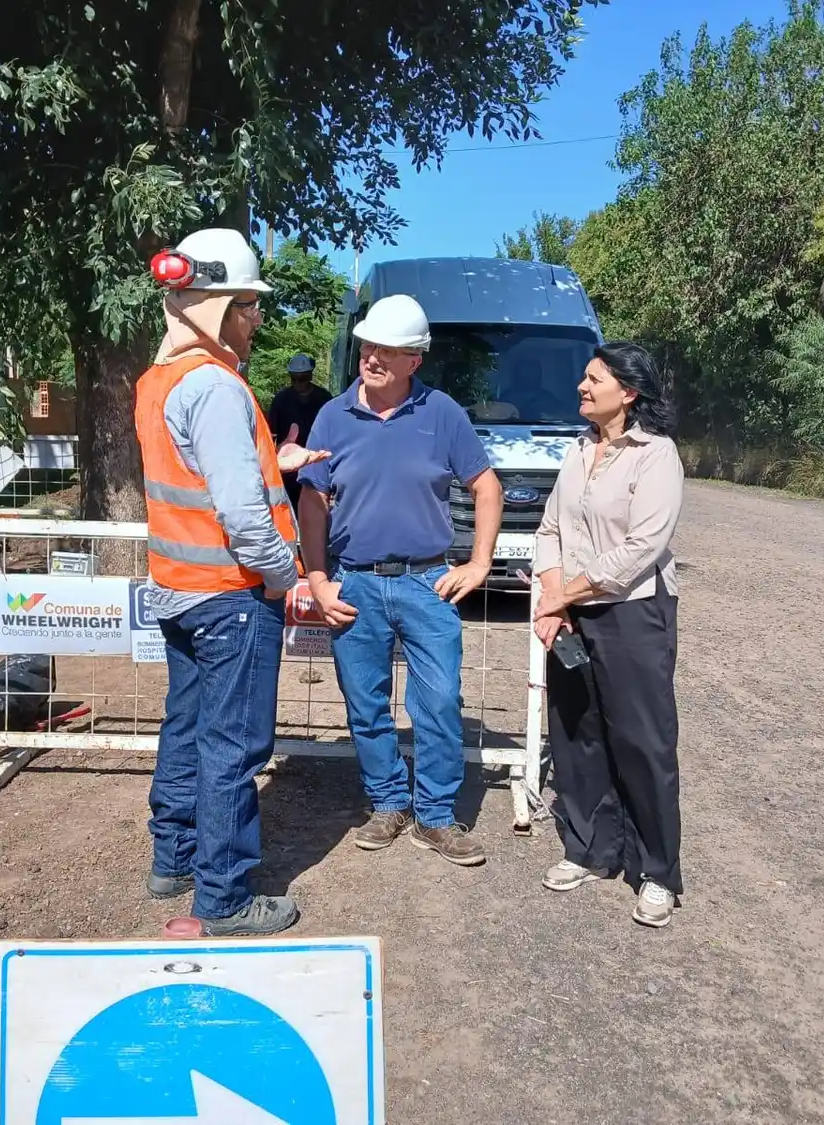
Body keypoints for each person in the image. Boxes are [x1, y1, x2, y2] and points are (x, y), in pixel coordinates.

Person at [134, 227, 328, 937]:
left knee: (185, 730)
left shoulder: (161, 382)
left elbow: (202, 476)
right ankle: (223, 898)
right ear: (219, 307)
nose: (256, 320)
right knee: (231, 748)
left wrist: (282, 456)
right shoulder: (216, 386)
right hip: (231, 597)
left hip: (179, 593)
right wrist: (286, 577)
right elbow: (245, 516)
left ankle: (173, 860)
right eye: (250, 305)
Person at [298, 295, 504, 866]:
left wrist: (479, 563)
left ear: (416, 359)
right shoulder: (333, 417)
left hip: (427, 582)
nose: (372, 357)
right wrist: (317, 579)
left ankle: (435, 816)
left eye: (388, 349)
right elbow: (312, 502)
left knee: (438, 701)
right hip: (354, 583)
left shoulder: (443, 414)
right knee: (365, 704)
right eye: (368, 345)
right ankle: (388, 802)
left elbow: (487, 487)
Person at [529, 341, 685, 928]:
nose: (582, 387)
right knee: (577, 734)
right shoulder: (578, 450)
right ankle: (591, 849)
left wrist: (563, 593)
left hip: (631, 614)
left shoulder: (656, 455)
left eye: (594, 380)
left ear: (629, 392)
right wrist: (552, 597)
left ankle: (657, 872)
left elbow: (641, 546)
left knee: (642, 743)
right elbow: (549, 529)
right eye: (584, 379)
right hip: (572, 612)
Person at [268, 353, 334, 509]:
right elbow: (271, 435)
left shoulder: (324, 398)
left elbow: (333, 433)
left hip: (317, 462)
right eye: (294, 378)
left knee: (315, 508)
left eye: (303, 378)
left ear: (310, 376)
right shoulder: (281, 399)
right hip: (288, 466)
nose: (298, 383)